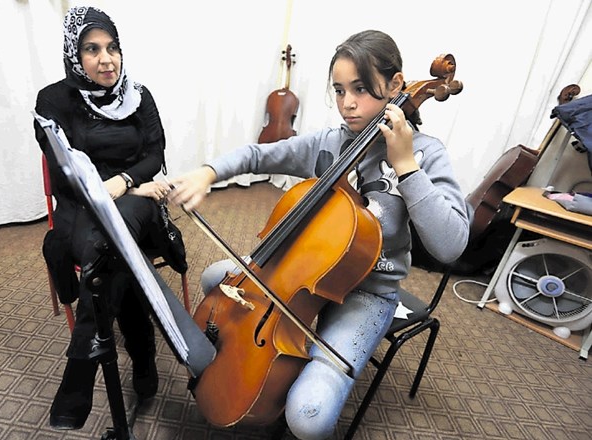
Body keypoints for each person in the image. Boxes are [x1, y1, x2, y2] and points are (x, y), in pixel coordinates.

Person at [168, 30, 469, 439]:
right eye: (340, 90)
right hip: (303, 272)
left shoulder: (425, 153)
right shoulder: (331, 142)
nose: (347, 104)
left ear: (396, 85)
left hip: (368, 293)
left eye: (361, 89)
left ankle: (302, 368)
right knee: (214, 280)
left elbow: (451, 245)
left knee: (308, 417)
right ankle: (284, 361)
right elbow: (261, 153)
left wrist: (405, 166)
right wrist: (209, 171)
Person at [33, 6, 184, 430]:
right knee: (116, 251)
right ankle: (144, 358)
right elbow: (67, 172)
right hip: (80, 210)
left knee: (120, 233)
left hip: (136, 211)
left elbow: (154, 154)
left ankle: (78, 373)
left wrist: (127, 187)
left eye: (113, 47)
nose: (107, 59)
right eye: (92, 49)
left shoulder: (139, 95)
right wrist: (126, 183)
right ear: (73, 55)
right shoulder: (52, 100)